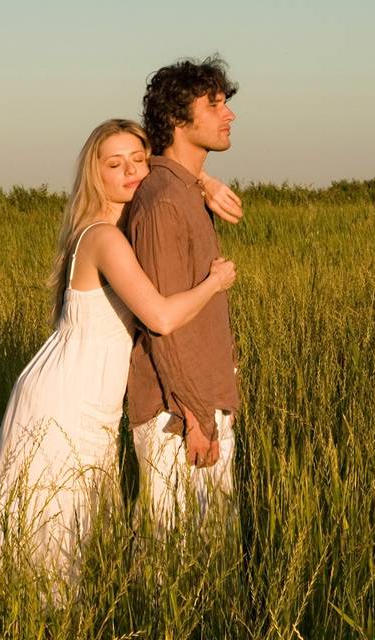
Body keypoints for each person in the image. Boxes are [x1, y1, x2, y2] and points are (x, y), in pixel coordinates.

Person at [0, 119, 236, 581]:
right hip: (67, 397)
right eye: (115, 164)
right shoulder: (105, 237)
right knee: (47, 523)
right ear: (94, 174)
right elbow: (160, 317)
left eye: (138, 161)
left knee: (65, 523)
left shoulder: (120, 225)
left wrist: (202, 179)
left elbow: (169, 172)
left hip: (86, 393)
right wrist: (213, 283)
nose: (131, 172)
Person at [125, 55, 242, 530]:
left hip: (198, 403)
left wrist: (204, 182)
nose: (229, 114)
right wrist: (194, 415)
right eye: (214, 105)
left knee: (209, 561)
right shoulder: (163, 203)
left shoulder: (184, 190)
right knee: (174, 567)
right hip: (178, 417)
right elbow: (162, 322)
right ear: (177, 118)